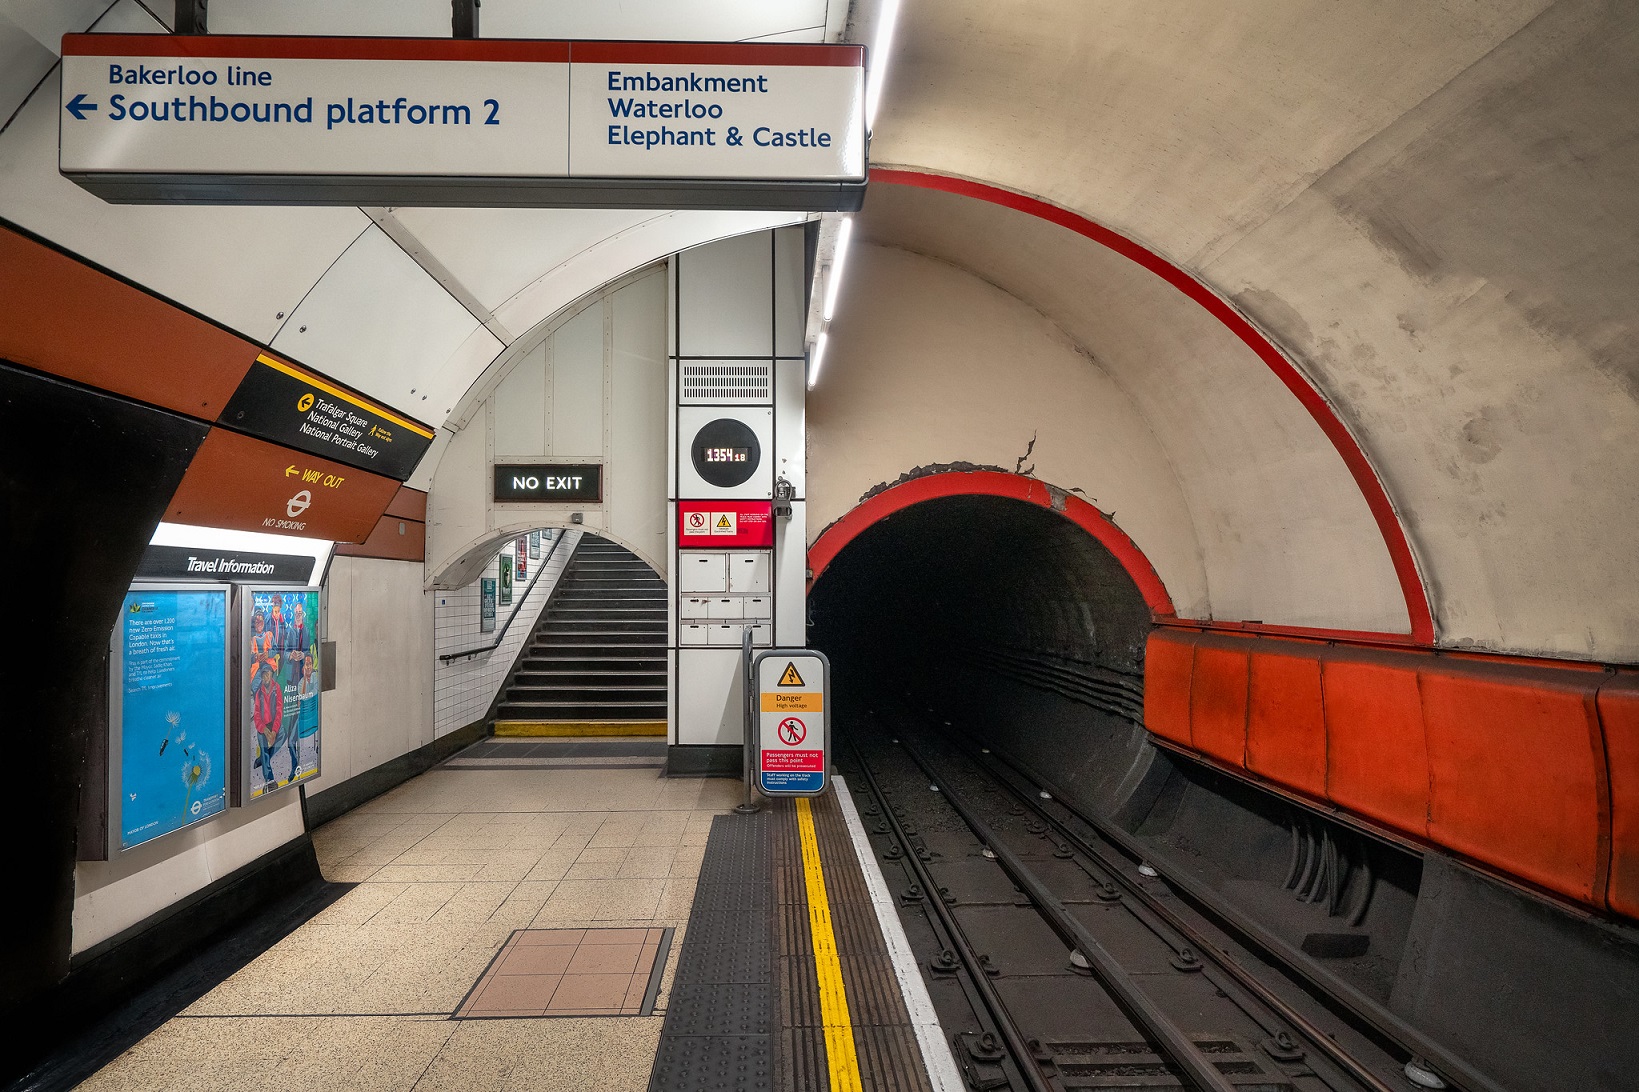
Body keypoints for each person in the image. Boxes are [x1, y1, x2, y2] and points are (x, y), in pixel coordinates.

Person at [291, 652, 320, 778]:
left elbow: (312, 692)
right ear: (302, 668)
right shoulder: (300, 683)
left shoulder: (315, 677)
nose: (308, 667)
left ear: (313, 665)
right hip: (308, 720)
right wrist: (304, 682)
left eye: (310, 664)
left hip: (311, 719)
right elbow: (303, 695)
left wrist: (305, 697)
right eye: (306, 665)